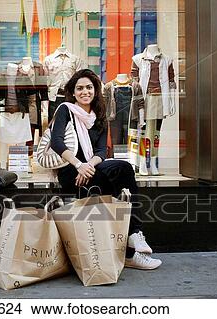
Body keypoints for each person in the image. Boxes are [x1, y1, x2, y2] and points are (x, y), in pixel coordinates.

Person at [50, 69, 162, 270]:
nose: (85, 92)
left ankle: (134, 236)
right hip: (70, 170)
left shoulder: (99, 115)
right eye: (80, 88)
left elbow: (101, 151)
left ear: (95, 90)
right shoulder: (65, 110)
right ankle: (128, 252)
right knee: (115, 186)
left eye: (89, 87)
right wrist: (79, 165)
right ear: (73, 92)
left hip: (91, 170)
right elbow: (57, 143)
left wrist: (88, 166)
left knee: (124, 169)